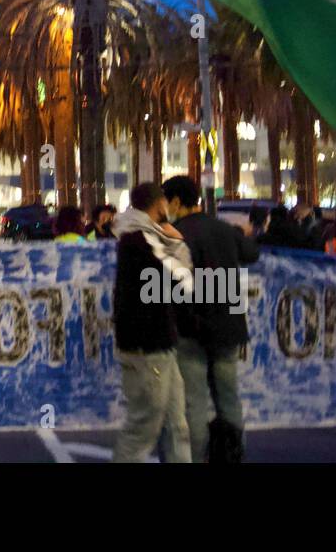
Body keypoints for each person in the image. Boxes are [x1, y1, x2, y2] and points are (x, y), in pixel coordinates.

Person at [162, 175, 258, 463]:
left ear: (176, 202)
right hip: (228, 326)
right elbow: (252, 253)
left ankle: (197, 457)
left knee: (194, 404)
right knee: (229, 397)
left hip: (190, 328)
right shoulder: (223, 230)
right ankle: (232, 454)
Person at [112, 182, 193, 463]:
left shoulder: (140, 236)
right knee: (143, 427)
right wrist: (179, 243)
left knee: (175, 425)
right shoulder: (142, 239)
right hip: (148, 347)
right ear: (159, 205)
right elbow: (182, 280)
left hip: (157, 345)